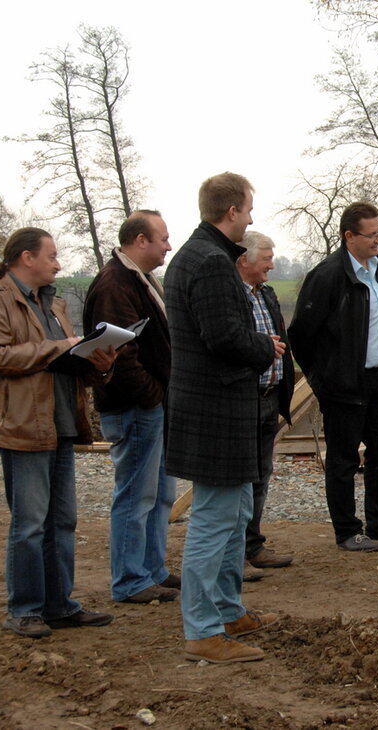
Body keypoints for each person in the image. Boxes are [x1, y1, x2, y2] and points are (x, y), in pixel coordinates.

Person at [0, 227, 117, 638]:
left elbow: (63, 360)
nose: (58, 263)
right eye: (51, 255)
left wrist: (98, 362)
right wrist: (62, 347)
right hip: (20, 426)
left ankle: (59, 605)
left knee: (63, 520)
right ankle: (24, 610)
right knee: (31, 522)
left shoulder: (53, 305)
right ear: (26, 257)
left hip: (60, 424)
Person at [164, 173, 283, 663]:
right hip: (218, 410)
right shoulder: (212, 263)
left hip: (217, 408)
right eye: (248, 209)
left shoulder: (195, 257)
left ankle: (228, 609)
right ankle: (203, 630)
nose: (252, 218)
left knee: (233, 516)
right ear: (231, 211)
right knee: (213, 522)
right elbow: (224, 338)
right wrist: (267, 347)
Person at [288, 201, 378, 552]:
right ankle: (347, 531)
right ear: (349, 236)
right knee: (344, 459)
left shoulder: (377, 269)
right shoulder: (328, 275)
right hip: (343, 385)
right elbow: (302, 334)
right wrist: (324, 379)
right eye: (372, 234)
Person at [84, 210, 178, 605]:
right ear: (139, 240)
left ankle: (152, 569)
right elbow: (119, 352)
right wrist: (153, 394)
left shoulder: (137, 280)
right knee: (136, 495)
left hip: (148, 406)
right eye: (162, 239)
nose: (167, 246)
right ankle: (129, 579)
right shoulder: (115, 285)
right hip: (134, 408)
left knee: (159, 495)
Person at [235, 232, 295, 572]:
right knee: (241, 479)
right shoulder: (233, 297)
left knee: (260, 476)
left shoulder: (267, 295)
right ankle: (236, 553)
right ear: (245, 260)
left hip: (268, 397)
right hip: (243, 398)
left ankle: (252, 545)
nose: (272, 264)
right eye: (267, 258)